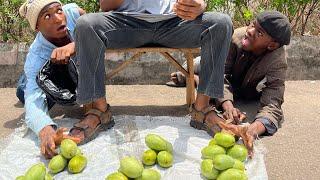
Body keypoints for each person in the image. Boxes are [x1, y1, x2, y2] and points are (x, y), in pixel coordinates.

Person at [69, 0, 233, 144]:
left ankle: (202, 109)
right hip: (127, 23)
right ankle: (99, 111)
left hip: (174, 23)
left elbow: (198, 3)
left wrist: (200, 6)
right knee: (86, 25)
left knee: (221, 23)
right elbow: (106, 5)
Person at [167, 11, 291, 155]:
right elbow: (221, 74)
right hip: (214, 62)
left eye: (259, 33)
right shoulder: (237, 37)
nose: (250, 31)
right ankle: (190, 75)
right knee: (195, 66)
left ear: (272, 45)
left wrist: (253, 129)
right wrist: (227, 104)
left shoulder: (278, 61)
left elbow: (273, 102)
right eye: (252, 24)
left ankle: (196, 80)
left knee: (241, 93)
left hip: (240, 84)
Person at [18, 0, 85, 158]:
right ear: (37, 28)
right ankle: (23, 82)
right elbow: (34, 99)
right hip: (38, 72)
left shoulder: (72, 13)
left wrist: (76, 45)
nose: (57, 18)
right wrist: (46, 130)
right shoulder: (37, 57)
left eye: (58, 11)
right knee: (26, 93)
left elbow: (96, 30)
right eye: (47, 16)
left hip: (69, 69)